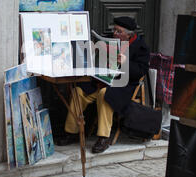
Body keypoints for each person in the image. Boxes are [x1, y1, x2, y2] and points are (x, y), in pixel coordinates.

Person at [56, 16, 150, 153]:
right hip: (101, 80)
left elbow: (141, 71)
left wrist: (125, 63)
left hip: (122, 84)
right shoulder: (108, 39)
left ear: (129, 34)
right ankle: (72, 132)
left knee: (105, 94)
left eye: (119, 32)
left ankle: (103, 138)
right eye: (115, 30)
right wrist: (95, 52)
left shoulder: (141, 47)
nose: (115, 34)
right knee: (78, 92)